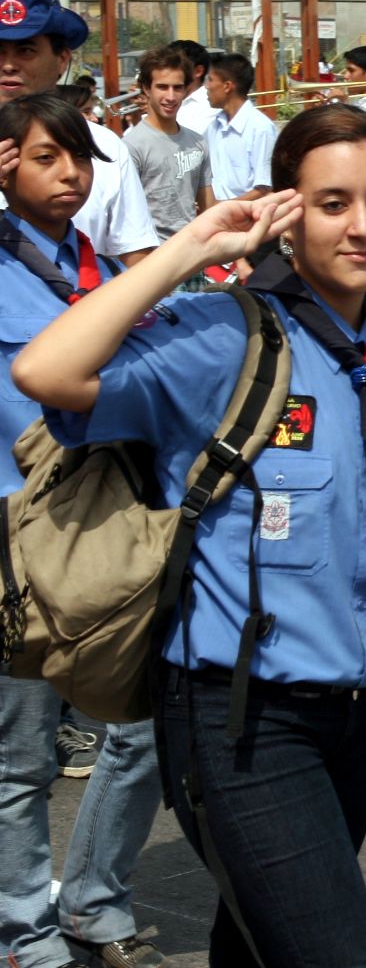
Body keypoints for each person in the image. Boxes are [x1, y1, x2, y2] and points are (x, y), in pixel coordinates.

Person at [13, 104, 366, 966]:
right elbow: (47, 371)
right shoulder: (226, 338)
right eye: (334, 201)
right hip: (239, 719)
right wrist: (189, 250)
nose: (362, 225)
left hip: (358, 717)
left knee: (260, 943)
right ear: (287, 209)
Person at [0, 93, 170, 968]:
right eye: (45, 158)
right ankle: (26, 933)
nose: (70, 176)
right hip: (14, 533)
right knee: (22, 756)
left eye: (79, 160)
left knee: (141, 726)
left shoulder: (100, 271)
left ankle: (94, 893)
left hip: (105, 524)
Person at [0, 0, 158, 267]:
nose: (9, 65)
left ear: (62, 59)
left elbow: (136, 254)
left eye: (26, 50)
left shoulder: (103, 145)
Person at [123, 46, 209, 241]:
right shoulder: (131, 145)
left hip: (193, 256)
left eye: (177, 88)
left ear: (186, 89)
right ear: (146, 88)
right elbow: (125, 214)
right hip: (152, 257)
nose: (170, 96)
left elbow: (208, 208)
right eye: (162, 87)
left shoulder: (198, 142)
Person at [200, 53, 275, 206]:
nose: (206, 86)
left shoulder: (261, 129)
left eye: (210, 80)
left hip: (247, 222)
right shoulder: (213, 127)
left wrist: (223, 208)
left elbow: (264, 189)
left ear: (227, 86)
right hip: (215, 218)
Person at [169, 40, 216, 137]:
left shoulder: (210, 105)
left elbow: (184, 141)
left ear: (198, 71)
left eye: (175, 66)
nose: (168, 72)